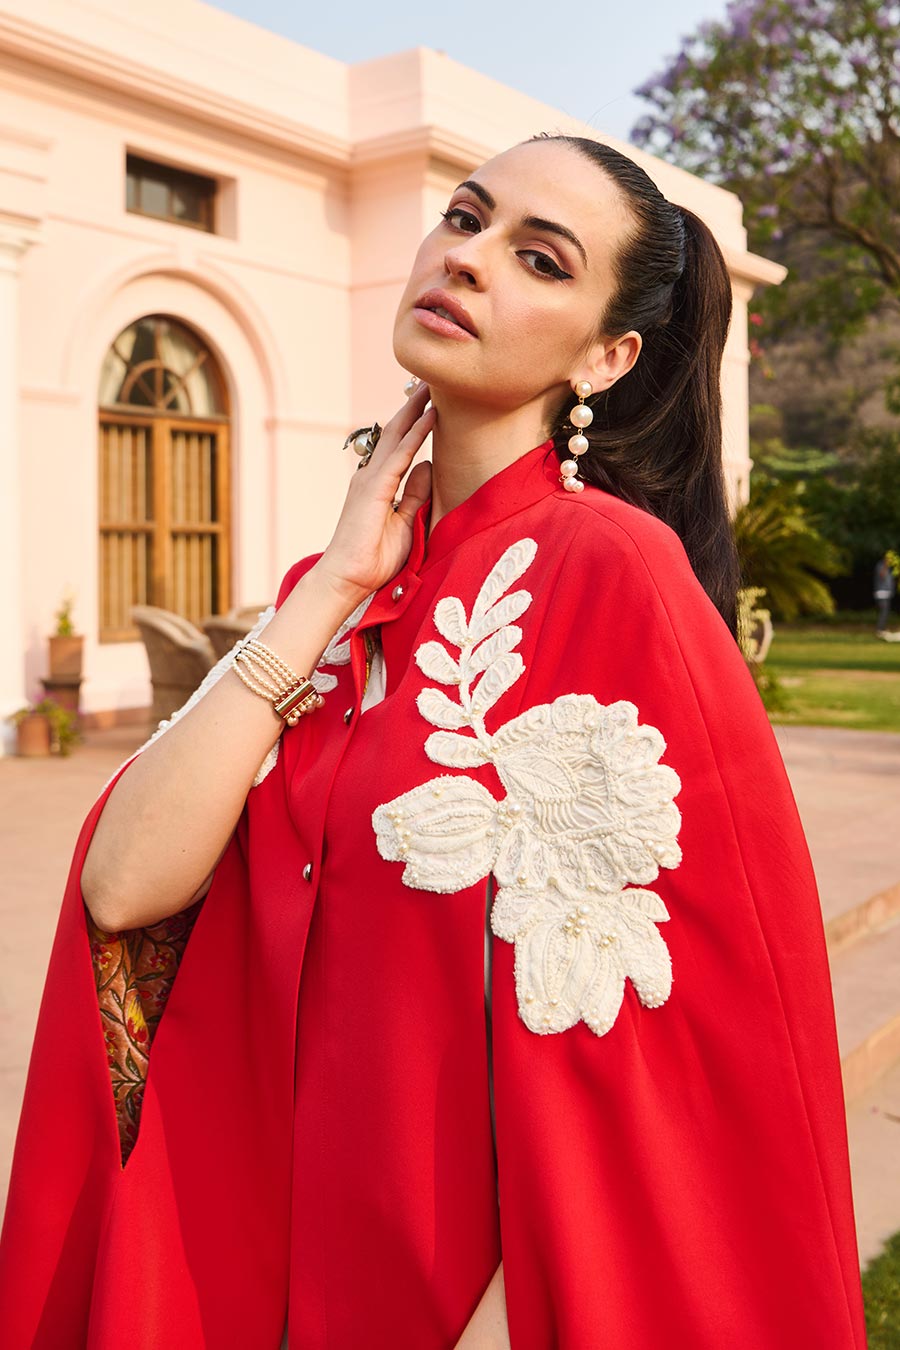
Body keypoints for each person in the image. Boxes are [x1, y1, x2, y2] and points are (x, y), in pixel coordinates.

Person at [0, 134, 867, 1348]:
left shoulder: (613, 576)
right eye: (464, 217)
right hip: (250, 1262)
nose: (467, 259)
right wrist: (333, 581)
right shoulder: (334, 591)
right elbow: (126, 885)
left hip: (461, 1304)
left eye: (538, 258)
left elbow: (668, 1047)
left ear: (607, 355)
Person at [874, 551, 896, 633]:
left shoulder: (889, 568)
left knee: (885, 611)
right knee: (883, 611)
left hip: (887, 593)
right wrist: (886, 565)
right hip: (881, 593)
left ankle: (882, 629)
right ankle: (880, 630)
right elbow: (882, 575)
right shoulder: (880, 565)